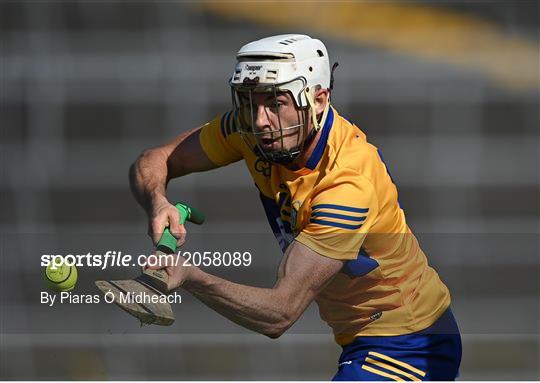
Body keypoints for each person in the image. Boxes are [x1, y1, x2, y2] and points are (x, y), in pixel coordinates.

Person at [129, 34, 462, 381]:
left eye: (275, 103)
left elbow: (280, 313)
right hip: (364, 341)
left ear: (318, 100)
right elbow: (155, 159)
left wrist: (191, 277)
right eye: (250, 102)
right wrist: (158, 201)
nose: (260, 121)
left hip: (411, 342)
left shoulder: (347, 184)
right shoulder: (250, 132)